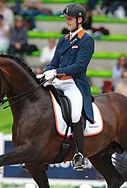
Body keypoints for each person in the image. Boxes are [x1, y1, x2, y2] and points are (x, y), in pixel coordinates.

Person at [43, 3, 95, 171]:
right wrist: (46, 72)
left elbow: (79, 66)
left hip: (74, 83)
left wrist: (56, 71)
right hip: (57, 81)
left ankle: (79, 154)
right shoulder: (63, 39)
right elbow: (53, 62)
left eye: (70, 18)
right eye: (66, 18)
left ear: (80, 20)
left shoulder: (86, 40)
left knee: (74, 113)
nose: (67, 21)